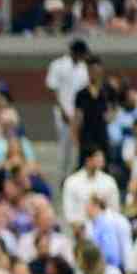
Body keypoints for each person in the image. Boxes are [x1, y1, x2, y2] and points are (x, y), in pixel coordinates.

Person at [46, 39, 89, 184]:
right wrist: (62, 110)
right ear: (75, 52)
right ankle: (62, 177)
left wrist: (79, 114)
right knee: (64, 146)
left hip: (78, 113)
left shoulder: (84, 68)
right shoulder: (58, 65)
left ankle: (73, 176)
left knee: (77, 146)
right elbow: (52, 89)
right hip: (62, 112)